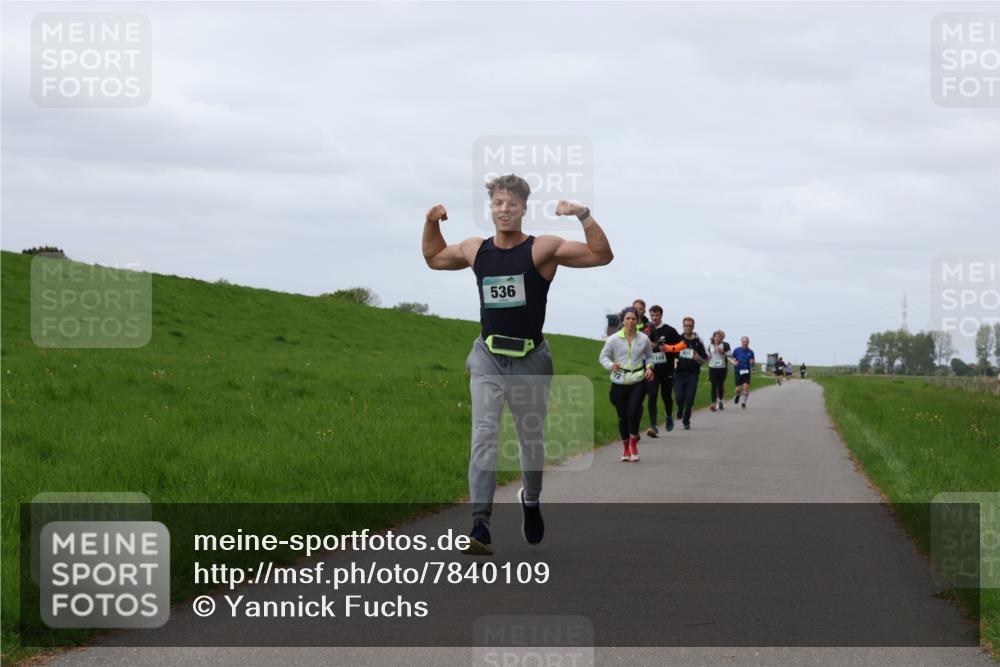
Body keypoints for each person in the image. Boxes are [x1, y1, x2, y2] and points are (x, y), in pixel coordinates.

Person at [422, 173, 613, 555]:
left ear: (524, 208)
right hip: (487, 357)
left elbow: (600, 255)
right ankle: (480, 524)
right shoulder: (477, 250)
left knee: (530, 443)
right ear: (490, 208)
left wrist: (584, 215)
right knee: (484, 436)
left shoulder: (542, 248)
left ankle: (531, 500)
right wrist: (430, 222)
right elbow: (433, 257)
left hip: (530, 359)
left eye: (511, 203)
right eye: (497, 203)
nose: (504, 209)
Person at [600, 307, 654, 462]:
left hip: (637, 379)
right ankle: (625, 449)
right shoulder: (613, 339)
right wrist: (611, 365)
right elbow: (602, 357)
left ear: (637, 321)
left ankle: (633, 445)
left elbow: (650, 357)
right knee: (622, 416)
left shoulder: (643, 339)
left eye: (633, 318)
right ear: (622, 321)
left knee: (633, 412)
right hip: (619, 381)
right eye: (627, 318)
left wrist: (649, 368)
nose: (630, 321)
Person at [645, 305, 682, 436]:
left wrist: (670, 349)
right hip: (652, 369)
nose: (654, 318)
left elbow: (681, 345)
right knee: (652, 395)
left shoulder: (669, 330)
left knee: (666, 396)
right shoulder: (646, 330)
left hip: (666, 369)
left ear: (661, 315)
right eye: (652, 315)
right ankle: (653, 425)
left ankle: (668, 416)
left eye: (657, 315)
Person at [672, 316, 708, 430]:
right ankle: (679, 407)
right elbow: (670, 352)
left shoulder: (698, 341)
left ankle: (686, 421)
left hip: (692, 374)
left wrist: (698, 358)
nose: (688, 328)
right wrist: (673, 360)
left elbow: (705, 360)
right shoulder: (677, 339)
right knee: (679, 397)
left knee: (690, 399)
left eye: (690, 326)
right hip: (679, 373)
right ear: (683, 326)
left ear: (693, 327)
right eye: (686, 326)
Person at [707, 329, 730, 411]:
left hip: (722, 368)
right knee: (713, 385)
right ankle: (713, 403)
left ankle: (720, 400)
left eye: (719, 337)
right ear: (713, 337)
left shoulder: (725, 345)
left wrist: (723, 352)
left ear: (721, 338)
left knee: (720, 385)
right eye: (715, 336)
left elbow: (729, 354)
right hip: (712, 368)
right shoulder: (710, 346)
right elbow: (709, 355)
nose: (717, 338)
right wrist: (708, 357)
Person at [731, 337, 755, 408]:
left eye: (746, 342)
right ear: (741, 342)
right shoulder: (736, 350)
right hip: (738, 371)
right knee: (738, 389)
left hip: (747, 371)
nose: (745, 343)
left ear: (748, 342)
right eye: (743, 342)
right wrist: (734, 362)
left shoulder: (751, 352)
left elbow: (752, 361)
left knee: (745, 388)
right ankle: (738, 395)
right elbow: (731, 358)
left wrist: (753, 368)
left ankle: (744, 402)